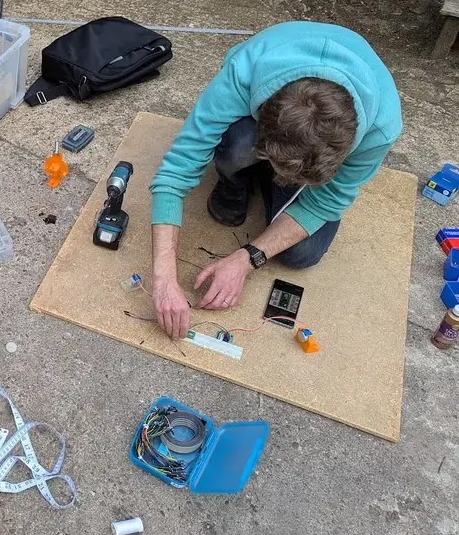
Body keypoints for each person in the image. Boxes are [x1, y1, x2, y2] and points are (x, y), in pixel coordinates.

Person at [148, 21, 402, 338]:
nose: (283, 178)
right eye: (279, 168)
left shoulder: (382, 127)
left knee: (303, 254)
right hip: (257, 114)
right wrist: (163, 280)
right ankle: (236, 179)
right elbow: (176, 171)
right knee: (237, 142)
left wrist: (246, 259)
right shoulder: (245, 71)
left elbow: (329, 201)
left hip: (311, 142)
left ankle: (274, 183)